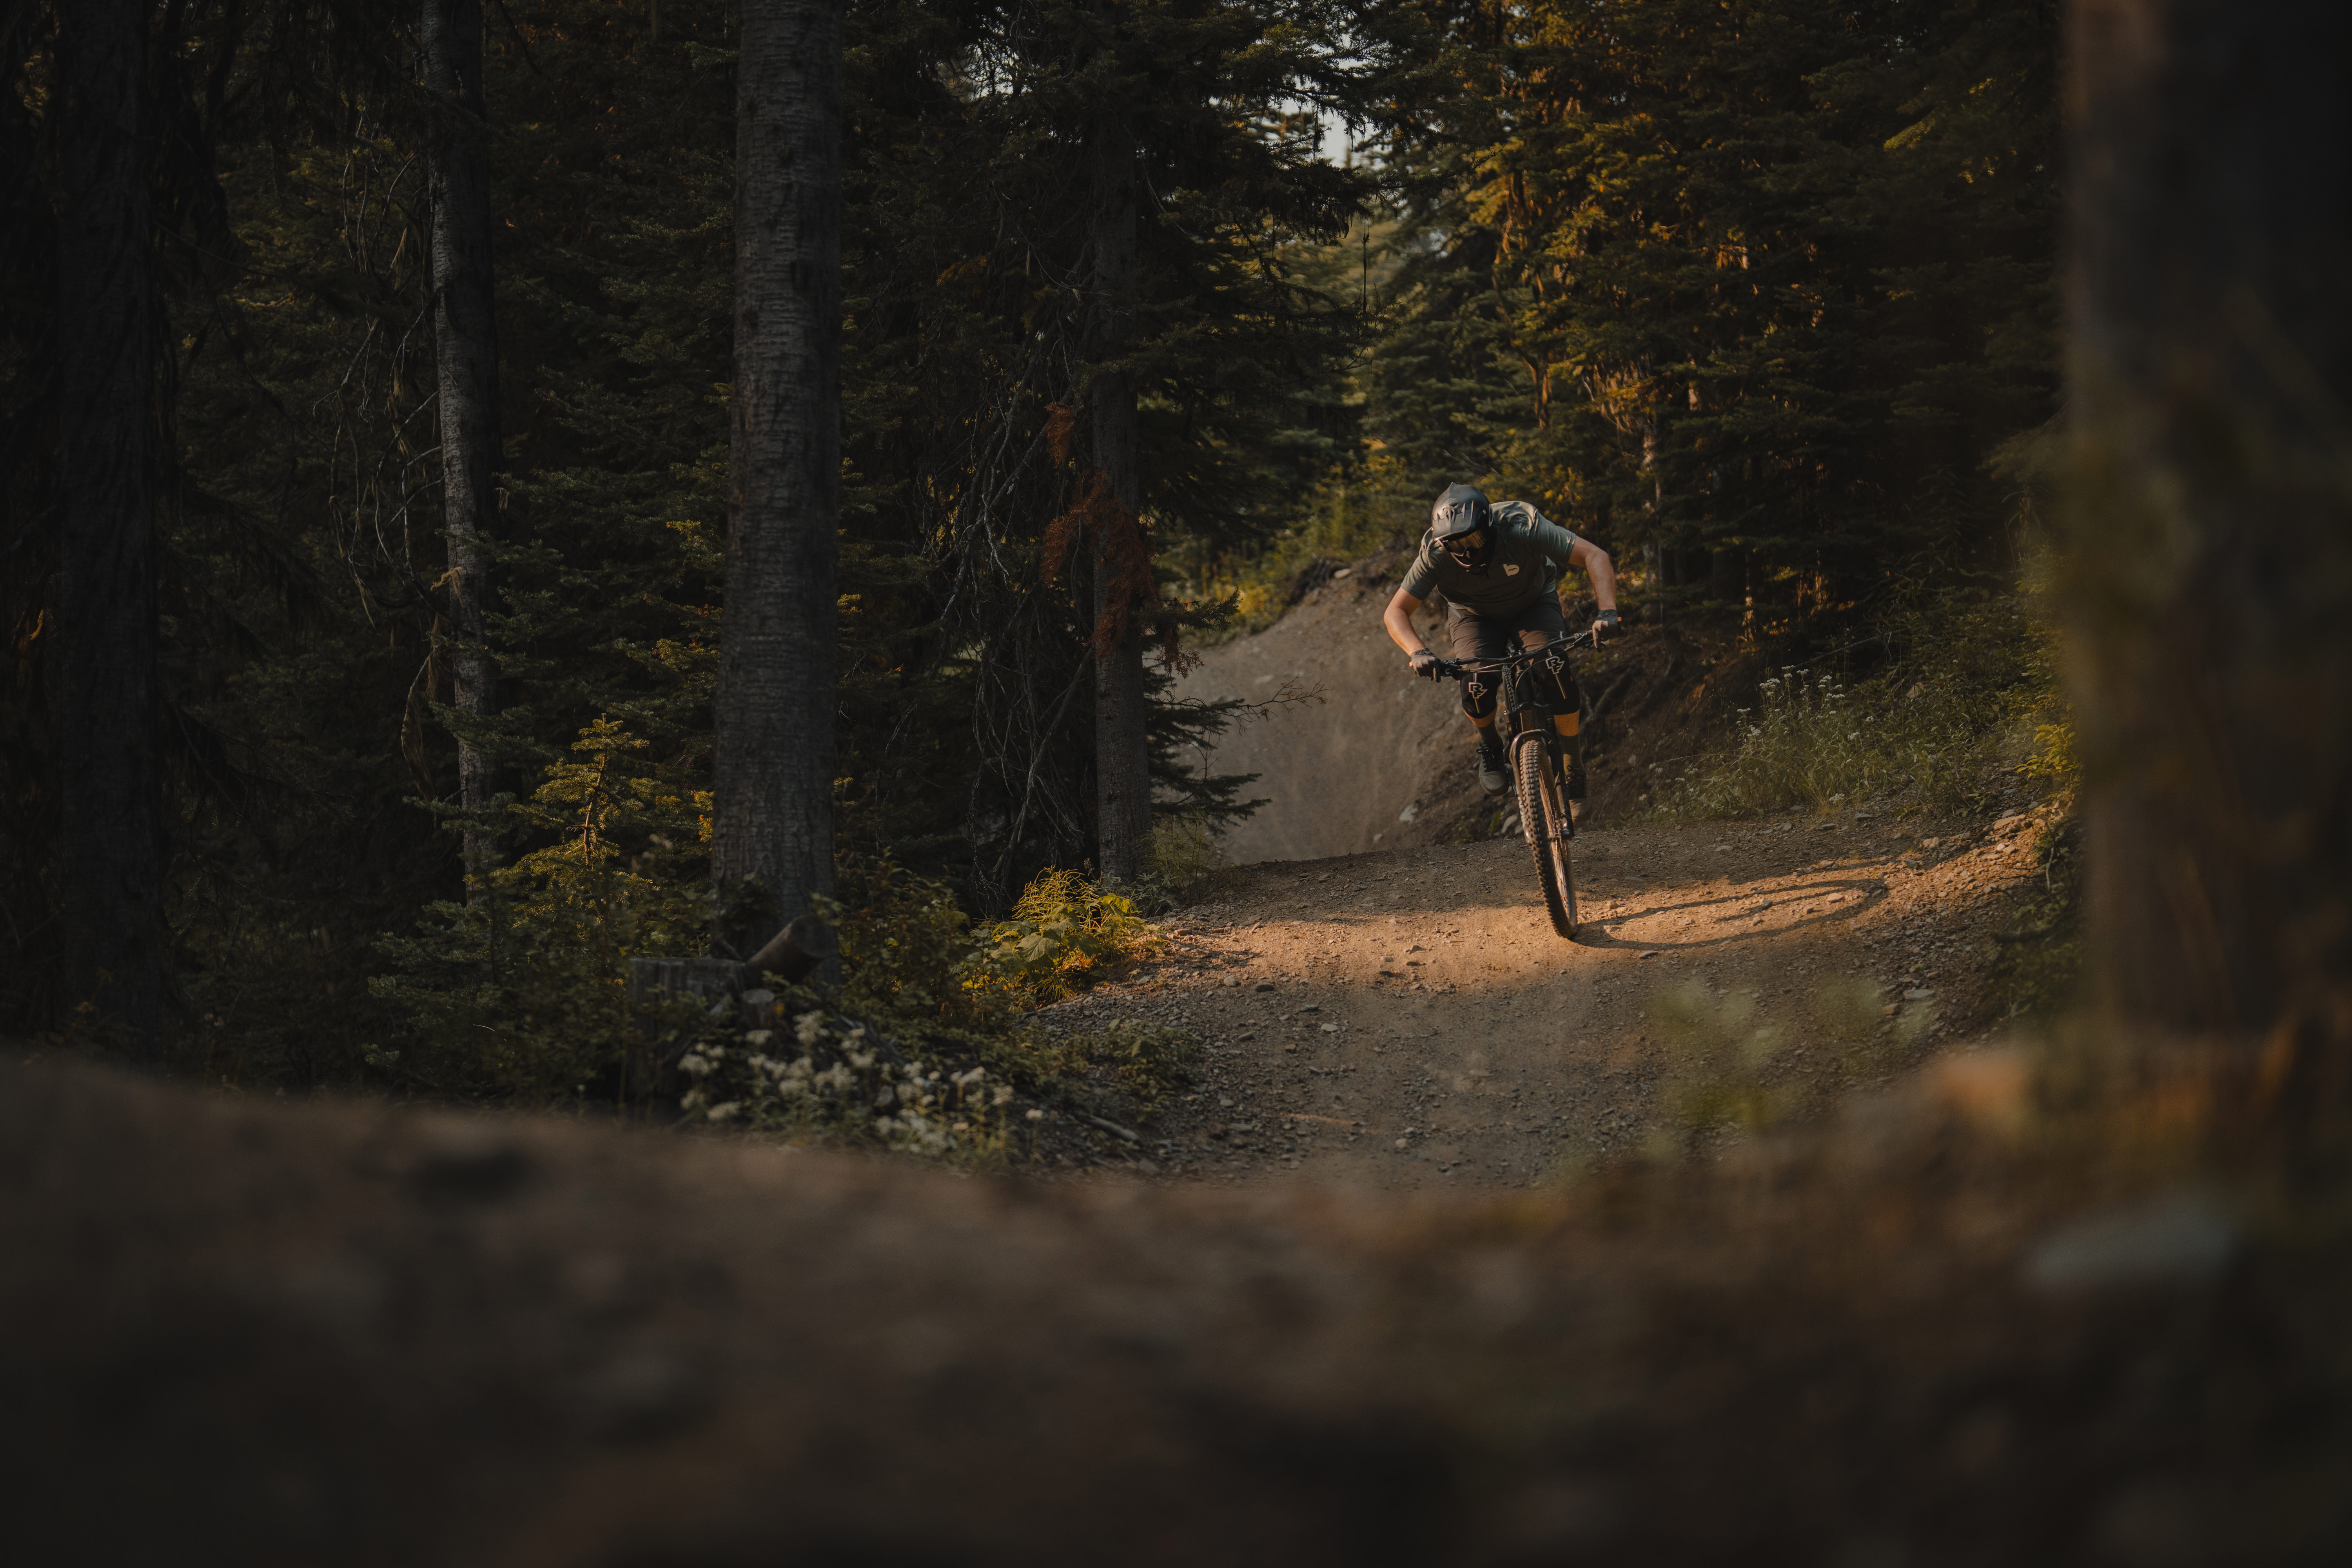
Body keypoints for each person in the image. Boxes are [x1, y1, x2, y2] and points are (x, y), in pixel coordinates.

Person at [1380, 483, 1620, 804]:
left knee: (1555, 667)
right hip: (1474, 616)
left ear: (1490, 527)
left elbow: (1595, 555)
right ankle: (1491, 745)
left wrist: (1607, 612)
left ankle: (1572, 762)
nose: (1466, 551)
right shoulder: (1435, 555)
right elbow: (1396, 611)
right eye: (1455, 545)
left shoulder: (1523, 527)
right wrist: (1418, 651)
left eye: (1473, 540)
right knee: (1476, 684)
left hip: (1534, 603)